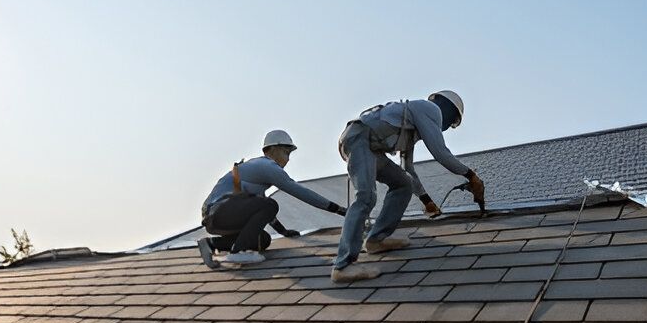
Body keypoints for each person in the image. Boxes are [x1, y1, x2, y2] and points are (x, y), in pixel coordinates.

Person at [331, 90, 485, 283]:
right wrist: (471, 176)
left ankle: (375, 240)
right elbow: (440, 152)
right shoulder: (429, 108)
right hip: (359, 138)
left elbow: (408, 169)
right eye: (452, 122)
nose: (446, 127)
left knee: (403, 183)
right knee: (366, 197)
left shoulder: (410, 126)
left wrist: (426, 200)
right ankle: (342, 266)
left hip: (371, 146)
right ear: (449, 111)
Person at [199, 130, 348, 268]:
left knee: (262, 239)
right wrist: (339, 210)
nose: (288, 159)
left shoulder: (255, 169)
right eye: (285, 152)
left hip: (218, 215)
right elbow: (301, 192)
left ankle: (211, 244)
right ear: (272, 149)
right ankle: (238, 252)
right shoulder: (267, 166)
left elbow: (258, 207)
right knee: (270, 205)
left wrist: (283, 231)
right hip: (218, 212)